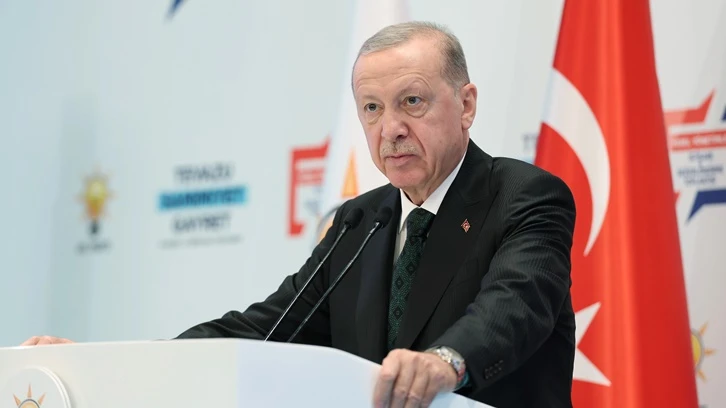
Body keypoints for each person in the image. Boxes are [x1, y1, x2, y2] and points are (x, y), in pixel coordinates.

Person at [22, 21, 576, 408]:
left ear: (467, 104)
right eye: (372, 109)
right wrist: (117, 363)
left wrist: (445, 361)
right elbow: (266, 328)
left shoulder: (524, 196)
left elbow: (514, 306)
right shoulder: (362, 221)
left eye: (412, 101)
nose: (391, 129)